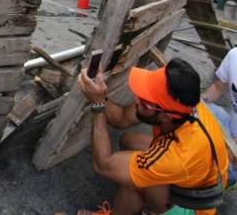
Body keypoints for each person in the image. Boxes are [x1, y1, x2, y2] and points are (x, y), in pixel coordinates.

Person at [77, 58, 229, 215]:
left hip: (192, 206)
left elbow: (104, 166)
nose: (137, 100)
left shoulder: (177, 156)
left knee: (130, 185)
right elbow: (122, 117)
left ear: (165, 117)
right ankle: (148, 205)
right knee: (129, 141)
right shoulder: (181, 105)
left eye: (145, 100)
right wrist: (98, 95)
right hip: (190, 177)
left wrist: (97, 104)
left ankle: (155, 210)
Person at [201, 47, 237, 185]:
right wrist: (196, 102)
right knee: (192, 114)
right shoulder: (234, 56)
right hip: (230, 127)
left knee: (220, 171)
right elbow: (217, 87)